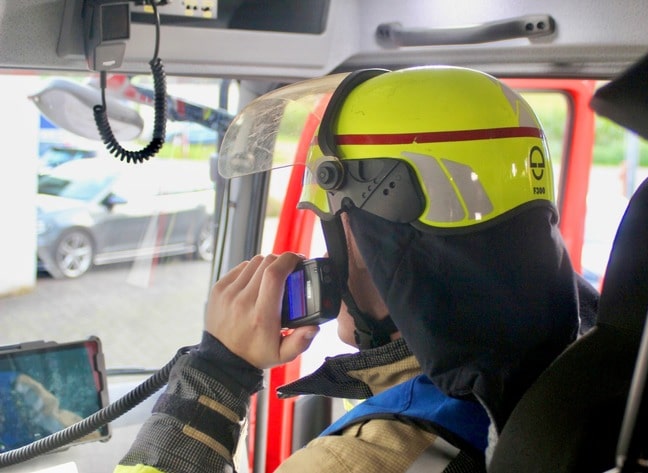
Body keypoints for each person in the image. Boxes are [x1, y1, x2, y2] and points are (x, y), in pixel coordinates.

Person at [115, 66, 599, 473]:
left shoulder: (362, 460)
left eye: (330, 222)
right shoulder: (582, 352)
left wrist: (218, 373)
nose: (322, 254)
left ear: (376, 238)